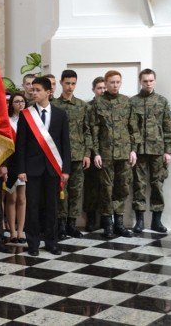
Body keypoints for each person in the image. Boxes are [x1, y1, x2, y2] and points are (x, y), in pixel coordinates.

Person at [15, 77, 71, 256]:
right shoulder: (26, 114)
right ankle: (33, 243)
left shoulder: (61, 114)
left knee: (52, 206)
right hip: (32, 168)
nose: (33, 92)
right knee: (32, 206)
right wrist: (21, 169)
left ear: (48, 92)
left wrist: (66, 169)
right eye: (32, 89)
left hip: (53, 168)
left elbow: (65, 144)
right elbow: (21, 144)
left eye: (38, 90)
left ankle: (51, 241)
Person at [90, 70, 138, 239]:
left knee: (122, 188)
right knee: (106, 189)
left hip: (124, 153)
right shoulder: (98, 103)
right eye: (111, 82)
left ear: (121, 83)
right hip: (105, 154)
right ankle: (107, 224)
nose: (115, 85)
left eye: (118, 82)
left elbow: (133, 128)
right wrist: (95, 153)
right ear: (106, 83)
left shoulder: (126, 102)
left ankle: (119, 223)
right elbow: (93, 130)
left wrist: (133, 150)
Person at [130, 69, 171, 233]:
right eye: (145, 81)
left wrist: (168, 150)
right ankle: (139, 221)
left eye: (151, 80)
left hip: (158, 150)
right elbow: (130, 128)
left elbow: (169, 127)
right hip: (139, 151)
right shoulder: (133, 102)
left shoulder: (162, 101)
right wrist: (132, 150)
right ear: (140, 82)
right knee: (139, 185)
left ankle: (157, 221)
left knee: (157, 184)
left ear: (154, 81)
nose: (148, 83)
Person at [51, 70, 92, 239]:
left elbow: (87, 130)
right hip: (58, 156)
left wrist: (87, 153)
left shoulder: (83, 106)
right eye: (67, 83)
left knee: (76, 191)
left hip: (77, 155)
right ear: (61, 83)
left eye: (73, 83)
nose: (70, 86)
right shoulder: (54, 105)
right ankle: (60, 224)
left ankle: (71, 224)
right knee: (61, 191)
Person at [4, 92, 27, 245]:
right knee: (11, 198)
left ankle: (21, 231)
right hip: (10, 163)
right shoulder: (7, 122)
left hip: (24, 164)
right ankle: (12, 230)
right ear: (11, 104)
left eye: (22, 101)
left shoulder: (30, 120)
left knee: (22, 198)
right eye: (16, 101)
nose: (20, 104)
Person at [83, 76, 106, 232]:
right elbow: (86, 131)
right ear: (93, 90)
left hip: (108, 153)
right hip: (91, 153)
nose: (102, 90)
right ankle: (91, 218)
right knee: (90, 187)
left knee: (107, 187)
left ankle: (106, 218)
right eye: (99, 88)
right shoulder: (87, 107)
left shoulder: (112, 105)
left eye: (104, 88)